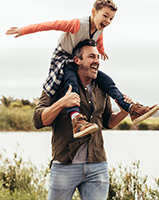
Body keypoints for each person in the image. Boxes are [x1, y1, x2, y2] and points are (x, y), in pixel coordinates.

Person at [7, 0, 159, 138]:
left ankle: (132, 108)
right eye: (105, 16)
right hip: (63, 58)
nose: (107, 21)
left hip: (79, 60)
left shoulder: (100, 28)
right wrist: (23, 30)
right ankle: (76, 120)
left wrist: (101, 50)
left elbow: (98, 38)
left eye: (111, 19)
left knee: (107, 81)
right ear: (94, 12)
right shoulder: (77, 24)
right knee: (71, 82)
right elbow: (50, 25)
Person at [33, 39, 131, 200]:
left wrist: (123, 111)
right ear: (77, 60)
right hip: (65, 165)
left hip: (98, 165)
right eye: (92, 56)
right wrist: (62, 103)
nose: (97, 61)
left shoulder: (102, 88)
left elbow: (107, 122)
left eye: (98, 57)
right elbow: (38, 120)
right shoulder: (58, 84)